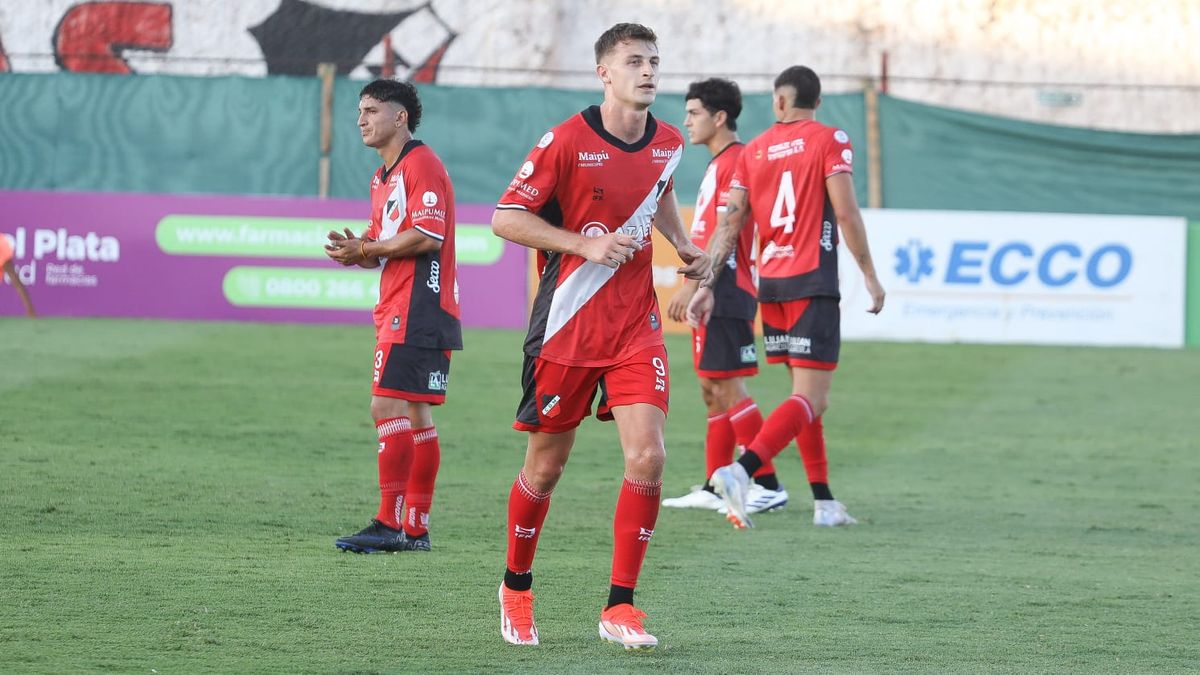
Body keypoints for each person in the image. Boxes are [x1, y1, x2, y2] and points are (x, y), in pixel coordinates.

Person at [491, 23, 708, 650]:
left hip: (635, 326)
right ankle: (516, 586)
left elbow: (658, 192)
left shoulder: (668, 141)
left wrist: (684, 244)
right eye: (634, 61)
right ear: (604, 74)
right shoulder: (565, 139)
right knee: (547, 466)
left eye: (654, 61)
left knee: (649, 455)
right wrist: (583, 243)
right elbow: (506, 218)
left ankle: (620, 607)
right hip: (565, 325)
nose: (648, 71)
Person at [688, 65, 886, 530]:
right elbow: (846, 210)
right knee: (811, 397)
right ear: (816, 103)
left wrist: (705, 285)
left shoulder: (751, 151)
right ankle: (741, 472)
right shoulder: (828, 138)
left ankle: (824, 501)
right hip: (811, 280)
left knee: (806, 397)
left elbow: (728, 225)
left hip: (771, 286)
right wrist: (871, 276)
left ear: (779, 102)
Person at [324, 79, 462, 553]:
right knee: (415, 412)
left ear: (400, 117)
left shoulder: (420, 164)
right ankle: (415, 528)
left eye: (372, 110)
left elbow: (428, 236)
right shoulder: (382, 177)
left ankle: (389, 522)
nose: (361, 119)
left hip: (418, 303)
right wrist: (357, 251)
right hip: (402, 302)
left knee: (386, 405)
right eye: (359, 111)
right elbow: (384, 242)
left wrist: (369, 246)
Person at [662, 77, 789, 515]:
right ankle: (717, 484)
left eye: (694, 113)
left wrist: (701, 286)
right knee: (710, 388)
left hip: (727, 286)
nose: (687, 121)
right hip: (717, 282)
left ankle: (768, 484)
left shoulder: (737, 161)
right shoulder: (719, 163)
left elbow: (726, 231)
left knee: (728, 385)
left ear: (719, 118)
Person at [1, 234, 36, 317]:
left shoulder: (2, 245)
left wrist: (29, 306)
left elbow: (16, 282)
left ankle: (30, 309)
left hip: (2, 249)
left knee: (15, 279)